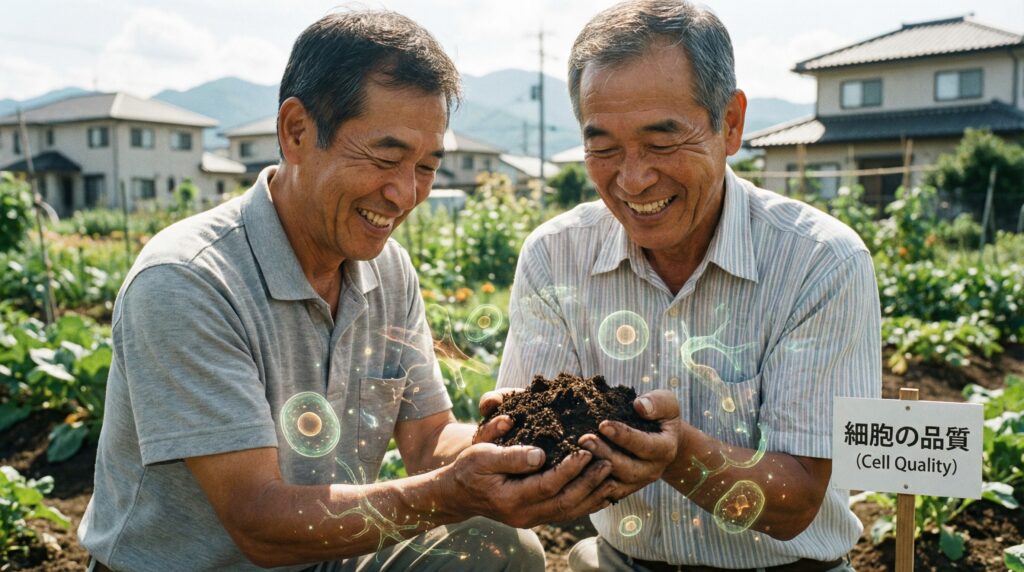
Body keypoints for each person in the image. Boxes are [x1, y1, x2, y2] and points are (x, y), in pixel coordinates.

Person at [78, 10, 616, 571]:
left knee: (497, 548)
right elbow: (258, 521)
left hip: (325, 557)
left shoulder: (387, 270)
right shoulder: (188, 280)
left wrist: (515, 443)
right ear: (296, 133)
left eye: (427, 166)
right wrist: (452, 491)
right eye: (385, 158)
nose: (404, 193)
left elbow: (428, 442)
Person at [492, 1, 881, 570]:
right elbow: (530, 435)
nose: (633, 178)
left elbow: (797, 499)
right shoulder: (556, 255)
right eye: (603, 146)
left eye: (662, 140)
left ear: (730, 124)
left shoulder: (819, 261)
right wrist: (515, 450)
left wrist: (675, 453)